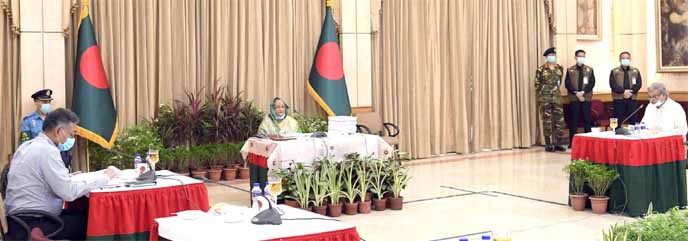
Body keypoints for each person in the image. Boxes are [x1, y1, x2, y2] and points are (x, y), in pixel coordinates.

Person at [4, 108, 120, 241]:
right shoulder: (47, 151)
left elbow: (38, 179)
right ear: (59, 131)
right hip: (35, 224)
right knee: (95, 221)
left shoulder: (26, 146)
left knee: (81, 215)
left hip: (18, 223)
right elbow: (68, 193)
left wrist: (68, 177)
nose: (70, 139)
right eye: (71, 135)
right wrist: (105, 177)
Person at [20, 89, 72, 168]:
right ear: (36, 102)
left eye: (48, 102)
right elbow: (26, 144)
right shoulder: (28, 121)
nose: (47, 104)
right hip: (38, 159)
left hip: (56, 157)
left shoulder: (56, 119)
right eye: (44, 102)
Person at [535, 47, 566, 152]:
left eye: (553, 55)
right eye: (550, 56)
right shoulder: (541, 69)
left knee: (560, 121)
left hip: (557, 98)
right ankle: (548, 144)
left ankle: (558, 143)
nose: (552, 57)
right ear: (546, 57)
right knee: (547, 122)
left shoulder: (559, 68)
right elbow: (537, 85)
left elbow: (559, 82)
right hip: (545, 99)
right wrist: (542, 97)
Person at [565, 49, 596, 148]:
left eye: (583, 56)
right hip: (574, 99)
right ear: (575, 57)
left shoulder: (589, 70)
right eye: (579, 56)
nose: (581, 58)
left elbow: (592, 83)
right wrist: (577, 93)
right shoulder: (570, 70)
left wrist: (583, 93)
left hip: (586, 98)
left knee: (587, 120)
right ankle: (572, 142)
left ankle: (588, 142)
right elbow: (567, 84)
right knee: (573, 121)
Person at [609, 52, 642, 125]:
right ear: (620, 60)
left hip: (632, 99)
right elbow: (613, 84)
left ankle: (634, 134)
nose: (625, 60)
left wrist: (631, 92)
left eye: (627, 58)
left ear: (630, 59)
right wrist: (623, 92)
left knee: (633, 120)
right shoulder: (614, 71)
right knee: (618, 120)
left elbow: (638, 84)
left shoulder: (635, 71)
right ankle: (617, 134)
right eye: (623, 58)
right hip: (619, 99)